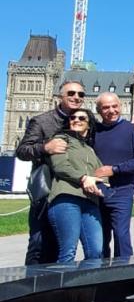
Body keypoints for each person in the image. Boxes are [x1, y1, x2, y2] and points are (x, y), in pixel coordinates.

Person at [16, 80, 86, 265]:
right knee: (38, 243)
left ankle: (53, 288)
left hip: (69, 192)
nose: (76, 97)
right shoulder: (42, 121)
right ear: (59, 97)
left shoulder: (84, 122)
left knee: (60, 244)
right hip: (46, 192)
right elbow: (22, 151)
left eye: (80, 94)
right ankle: (31, 288)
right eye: (71, 93)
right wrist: (45, 147)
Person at [92, 92, 134, 258]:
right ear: (98, 110)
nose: (111, 110)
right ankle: (100, 274)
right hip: (97, 190)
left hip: (122, 190)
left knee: (121, 235)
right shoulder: (93, 131)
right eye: (106, 107)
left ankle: (123, 273)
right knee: (99, 238)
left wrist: (114, 169)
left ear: (121, 106)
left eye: (114, 106)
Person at [46, 108, 105, 263]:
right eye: (73, 117)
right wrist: (84, 178)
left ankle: (86, 286)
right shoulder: (61, 139)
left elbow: (101, 173)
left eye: (81, 118)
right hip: (67, 198)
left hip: (90, 202)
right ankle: (62, 287)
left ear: (89, 124)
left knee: (96, 251)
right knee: (68, 251)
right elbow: (60, 166)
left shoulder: (90, 149)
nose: (76, 120)